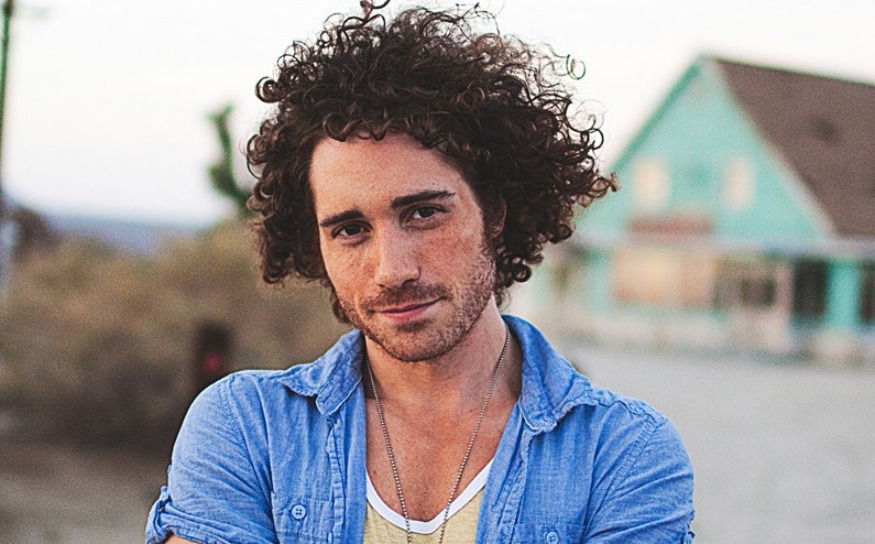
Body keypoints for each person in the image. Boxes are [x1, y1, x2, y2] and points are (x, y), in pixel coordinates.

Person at [146, 2, 695, 543]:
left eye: (424, 213)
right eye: (350, 229)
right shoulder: (249, 428)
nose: (392, 269)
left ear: (493, 211)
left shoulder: (622, 453)